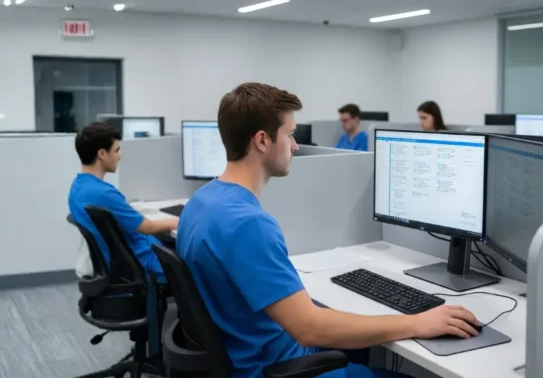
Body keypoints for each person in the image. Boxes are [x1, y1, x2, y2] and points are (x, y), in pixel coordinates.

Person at [177, 83, 481, 378]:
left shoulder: (200, 203)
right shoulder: (247, 224)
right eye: (290, 135)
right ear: (262, 140)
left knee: (362, 342)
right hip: (275, 367)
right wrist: (418, 322)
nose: (295, 146)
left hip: (246, 351)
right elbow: (309, 329)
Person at [68, 122, 178, 280]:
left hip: (118, 261)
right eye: (116, 150)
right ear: (102, 154)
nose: (119, 156)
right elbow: (147, 227)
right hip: (142, 261)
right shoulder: (104, 193)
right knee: (197, 264)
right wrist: (178, 221)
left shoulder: (77, 187)